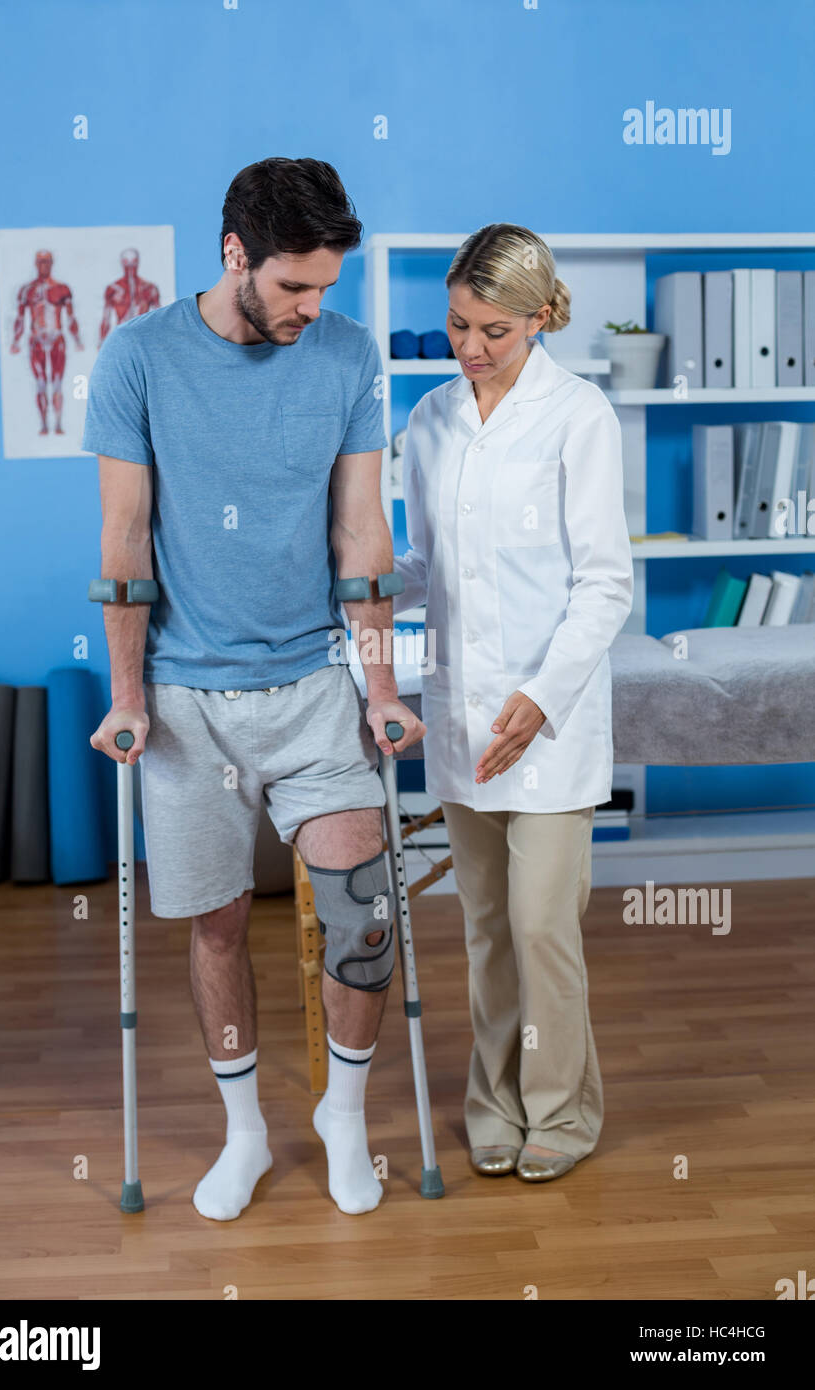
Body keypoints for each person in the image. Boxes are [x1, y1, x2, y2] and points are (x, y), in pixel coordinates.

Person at [82, 157, 425, 1220]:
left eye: (325, 288)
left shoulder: (347, 355)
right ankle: (244, 1134)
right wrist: (128, 696)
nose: (311, 309)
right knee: (218, 923)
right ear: (234, 255)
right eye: (292, 287)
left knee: (363, 914)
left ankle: (344, 1116)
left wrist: (379, 685)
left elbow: (360, 532)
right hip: (187, 700)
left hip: (317, 684)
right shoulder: (136, 358)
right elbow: (126, 541)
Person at [393, 223, 633, 1181]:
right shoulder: (430, 421)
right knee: (486, 928)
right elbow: (424, 566)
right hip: (462, 718)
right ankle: (492, 1103)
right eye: (456, 325)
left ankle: (562, 1111)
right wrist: (357, 584)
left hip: (548, 726)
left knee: (542, 926)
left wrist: (538, 700)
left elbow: (605, 585)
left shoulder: (580, 417)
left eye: (494, 329)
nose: (472, 347)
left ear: (540, 318)